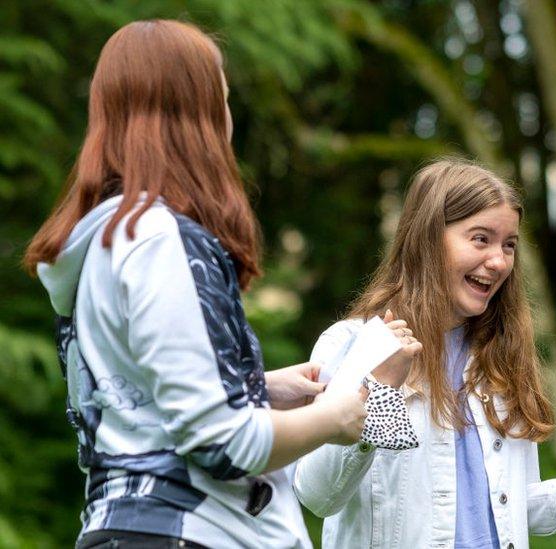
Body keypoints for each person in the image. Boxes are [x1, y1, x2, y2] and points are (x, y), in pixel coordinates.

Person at [23, 20, 374, 549]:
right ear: (195, 114)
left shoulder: (105, 238)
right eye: (223, 100)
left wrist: (255, 385)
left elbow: (132, 403)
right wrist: (336, 415)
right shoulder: (159, 239)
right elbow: (224, 444)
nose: (229, 120)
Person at [293, 159, 556, 548]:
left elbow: (508, 507)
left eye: (509, 245)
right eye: (480, 239)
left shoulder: (500, 361)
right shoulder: (353, 344)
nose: (499, 261)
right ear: (427, 239)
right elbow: (317, 496)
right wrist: (378, 393)